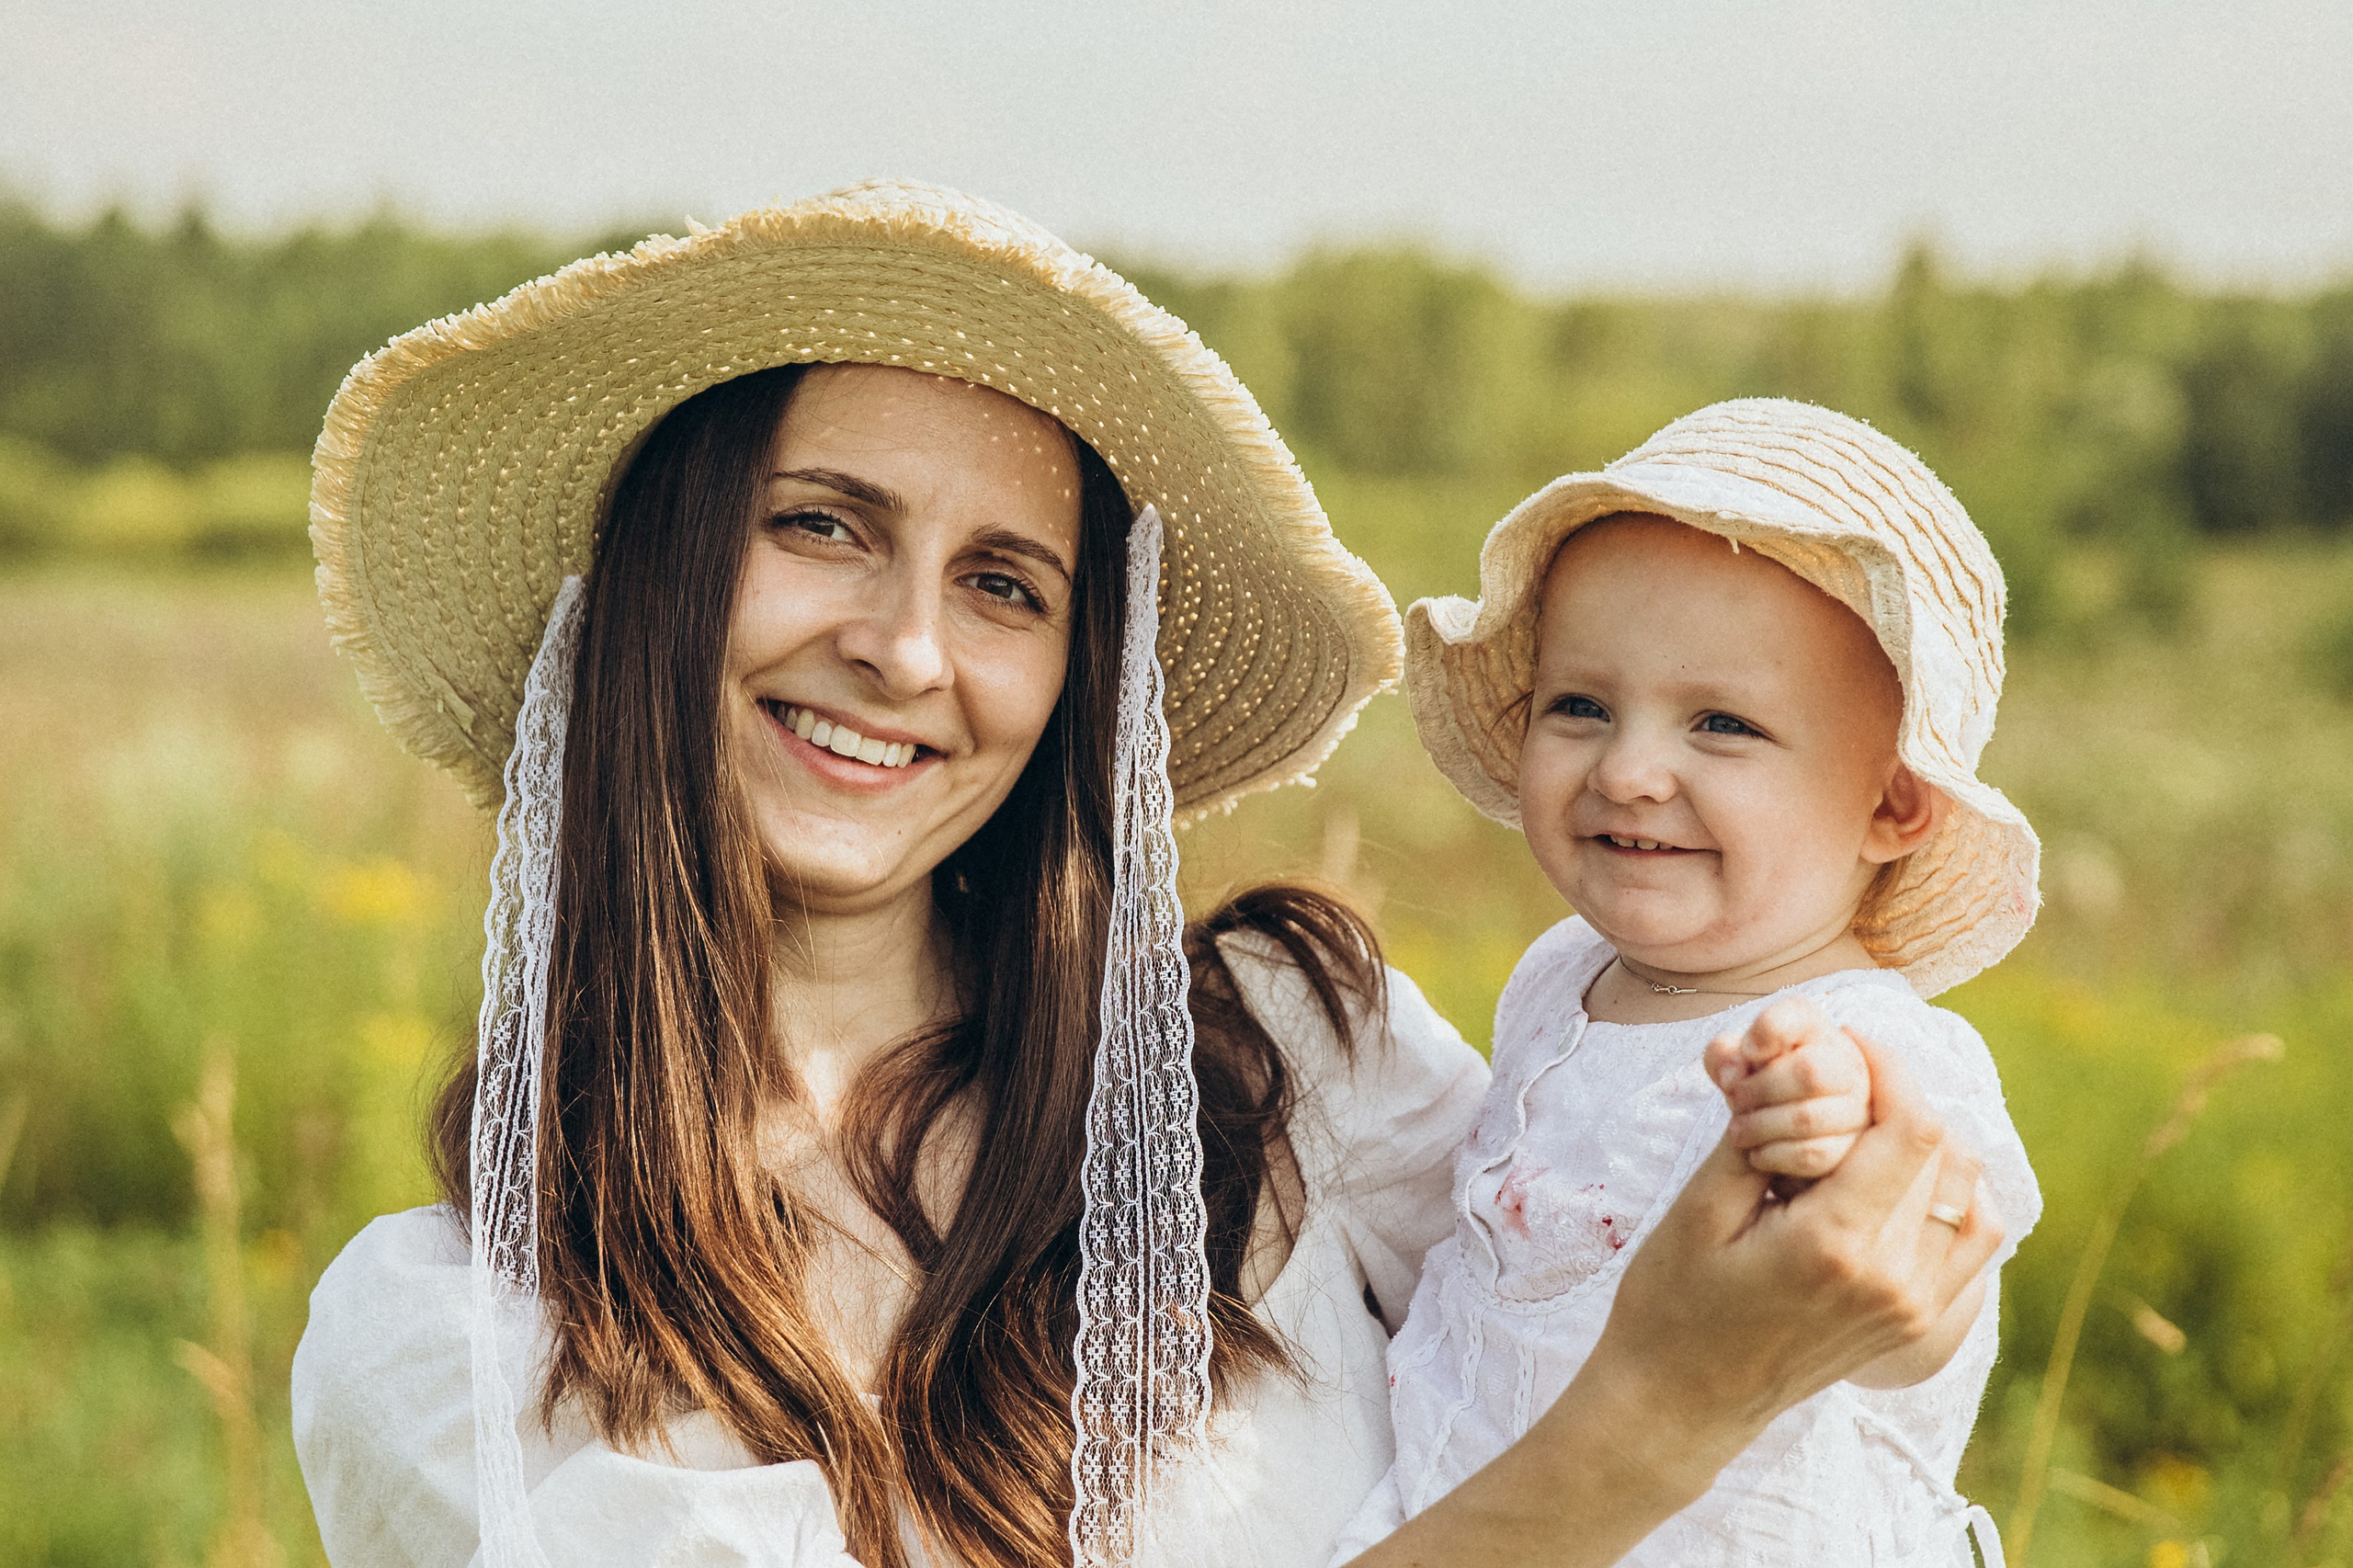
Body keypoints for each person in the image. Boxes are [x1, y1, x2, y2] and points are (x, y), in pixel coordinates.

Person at [289, 185, 2004, 1568]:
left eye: (1005, 586)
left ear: (1072, 688)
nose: (904, 649)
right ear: (658, 571)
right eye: (821, 523)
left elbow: (1642, 1286)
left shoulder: (1279, 1059)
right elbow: (1639, 1403)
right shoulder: (455, 1347)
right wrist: (1651, 1422)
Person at [1352, 400, 2042, 1565]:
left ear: (1889, 803)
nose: (1628, 769)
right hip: (1478, 1511)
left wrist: (1837, 1154)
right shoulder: (1560, 973)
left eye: (1722, 723)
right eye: (1580, 706)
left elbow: (1923, 1322)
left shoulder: (1872, 1054)